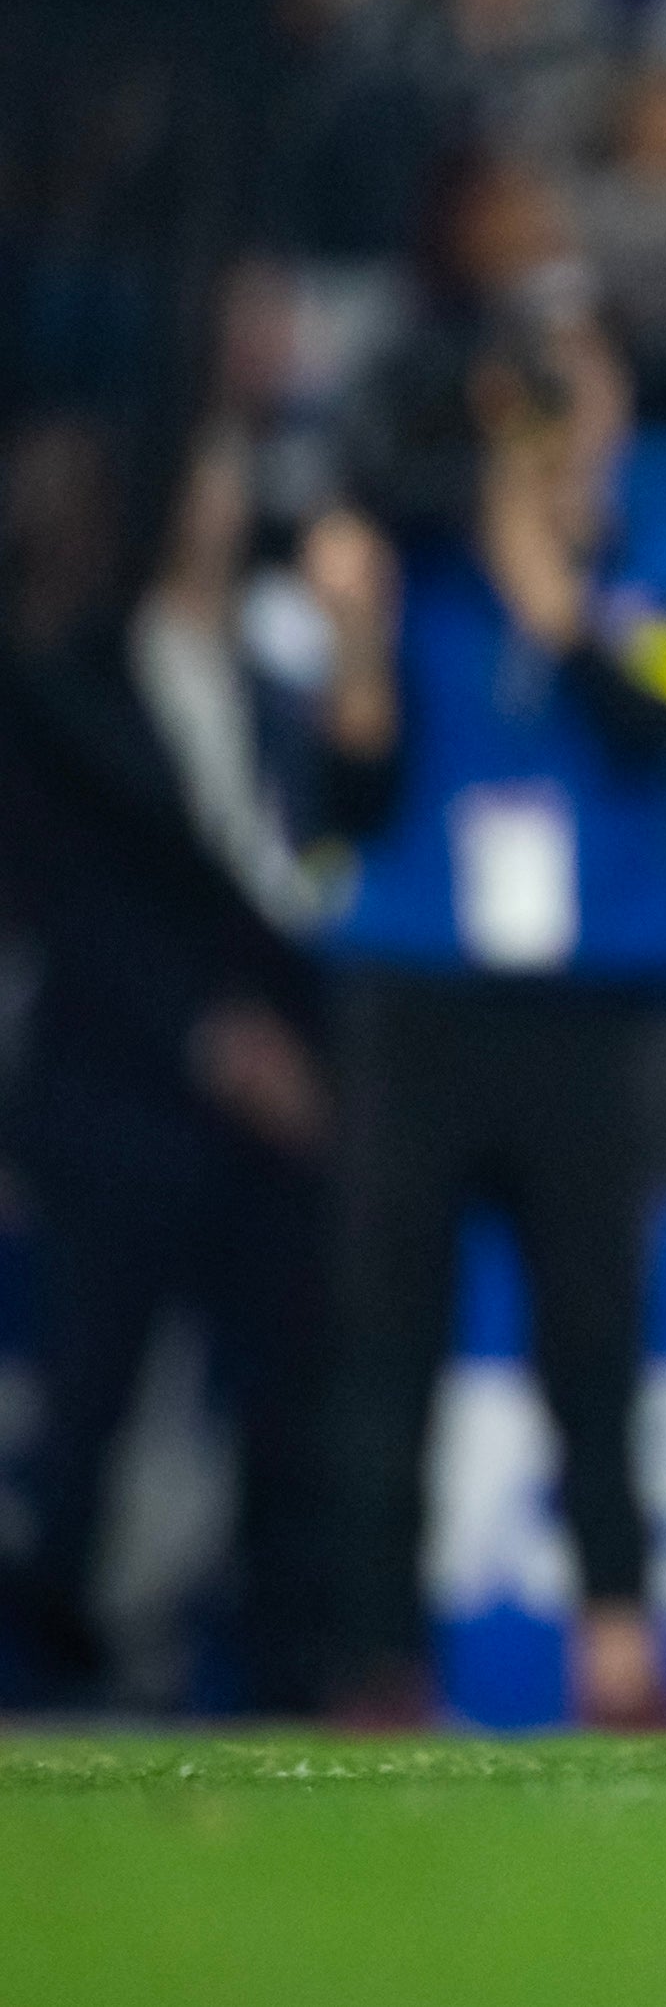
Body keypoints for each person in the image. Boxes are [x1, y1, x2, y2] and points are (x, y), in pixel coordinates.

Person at [303, 292, 666, 1726]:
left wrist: (542, 569)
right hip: (419, 994)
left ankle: (616, 1649)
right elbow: (348, 795)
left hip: (587, 1006)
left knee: (594, 1341)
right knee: (387, 1340)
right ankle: (379, 1658)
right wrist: (356, 639)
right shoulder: (416, 576)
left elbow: (659, 718)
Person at [0, 431, 332, 1710]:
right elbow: (77, 903)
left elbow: (300, 875)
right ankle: (41, 1685)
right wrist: (205, 1034)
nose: (233, 494)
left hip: (274, 1112)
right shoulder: (61, 679)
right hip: (116, 1098)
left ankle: (270, 1679)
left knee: (281, 1409)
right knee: (90, 1402)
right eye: (209, 469)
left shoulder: (274, 671)